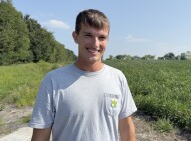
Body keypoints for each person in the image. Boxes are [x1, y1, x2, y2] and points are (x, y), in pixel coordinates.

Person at [29, 9, 137, 141]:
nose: (95, 43)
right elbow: (40, 136)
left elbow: (126, 127)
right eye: (88, 35)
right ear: (75, 37)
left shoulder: (118, 77)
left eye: (102, 37)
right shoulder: (53, 81)